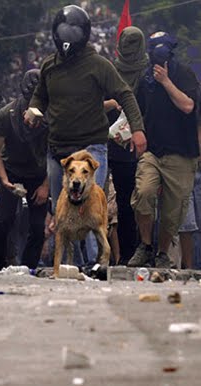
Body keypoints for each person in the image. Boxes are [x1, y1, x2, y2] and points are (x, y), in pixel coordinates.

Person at [26, 5, 146, 267]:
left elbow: (124, 93)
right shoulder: (49, 65)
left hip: (91, 147)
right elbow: (40, 95)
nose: (67, 37)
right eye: (63, 32)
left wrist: (137, 129)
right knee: (63, 213)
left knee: (90, 206)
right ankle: (74, 265)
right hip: (59, 151)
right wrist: (33, 111)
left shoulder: (98, 65)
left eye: (72, 32)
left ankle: (95, 263)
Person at [128, 32, 200, 268]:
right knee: (144, 192)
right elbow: (136, 110)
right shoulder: (145, 78)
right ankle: (146, 246)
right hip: (153, 151)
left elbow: (188, 106)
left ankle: (161, 253)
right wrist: (135, 132)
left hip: (181, 153)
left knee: (172, 213)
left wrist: (166, 82)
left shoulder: (184, 74)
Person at [0, 69, 48, 272]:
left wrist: (45, 185)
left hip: (39, 174)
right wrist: (4, 179)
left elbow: (56, 152)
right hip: (11, 170)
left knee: (37, 226)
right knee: (4, 220)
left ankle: (29, 268)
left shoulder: (51, 115)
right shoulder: (7, 114)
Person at [106, 26, 149, 265]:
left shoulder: (149, 73)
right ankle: (113, 256)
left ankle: (135, 253)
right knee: (110, 202)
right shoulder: (110, 71)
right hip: (109, 143)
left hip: (138, 146)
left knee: (133, 203)